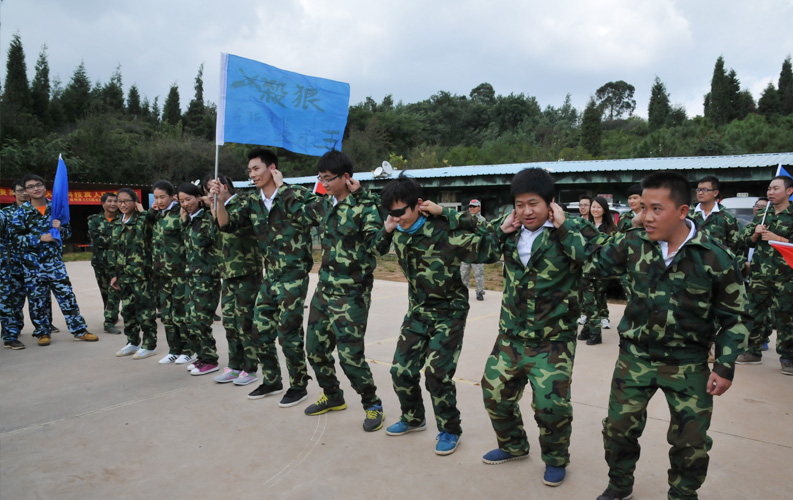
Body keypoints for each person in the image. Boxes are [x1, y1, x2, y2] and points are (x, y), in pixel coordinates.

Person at [587, 171, 750, 500]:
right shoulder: (632, 243)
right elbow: (592, 265)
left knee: (691, 442)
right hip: (636, 358)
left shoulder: (713, 257)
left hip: (688, 364)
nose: (645, 216)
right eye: (642, 207)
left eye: (656, 209)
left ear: (682, 211)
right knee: (618, 430)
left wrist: (725, 365)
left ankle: (683, 494)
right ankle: (620, 484)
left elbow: (735, 317)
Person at [477, 168, 591, 488]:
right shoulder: (510, 229)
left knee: (550, 405)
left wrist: (565, 227)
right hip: (511, 335)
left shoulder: (572, 229)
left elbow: (594, 261)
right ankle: (513, 445)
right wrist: (499, 231)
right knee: (494, 393)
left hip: (553, 339)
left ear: (550, 204)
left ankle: (555, 459)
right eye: (519, 204)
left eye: (534, 204)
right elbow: (479, 253)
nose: (526, 211)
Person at [376, 174, 486, 455]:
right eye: (391, 213)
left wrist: (447, 212)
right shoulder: (398, 230)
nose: (397, 217)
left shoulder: (444, 229)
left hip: (449, 312)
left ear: (419, 205)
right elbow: (373, 250)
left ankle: (450, 429)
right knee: (400, 371)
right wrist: (387, 229)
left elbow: (488, 234)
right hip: (418, 312)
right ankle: (414, 419)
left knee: (437, 374)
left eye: (401, 212)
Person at [276, 150, 386, 432]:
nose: (323, 182)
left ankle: (373, 405)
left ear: (346, 177)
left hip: (352, 294)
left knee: (350, 356)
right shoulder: (325, 205)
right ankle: (333, 395)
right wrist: (280, 186)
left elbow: (379, 245)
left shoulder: (365, 207)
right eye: (320, 177)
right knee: (315, 349)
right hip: (324, 290)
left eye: (328, 178)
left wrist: (364, 196)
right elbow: (299, 208)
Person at [211, 148, 314, 406]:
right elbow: (226, 225)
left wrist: (285, 190)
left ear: (272, 168)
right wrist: (220, 202)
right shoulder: (251, 201)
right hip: (270, 277)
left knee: (288, 334)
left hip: (293, 276)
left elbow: (314, 217)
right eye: (249, 171)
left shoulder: (297, 194)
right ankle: (272, 380)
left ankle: (298, 385)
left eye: (256, 169)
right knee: (259, 330)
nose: (252, 174)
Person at [7, 174, 98, 345]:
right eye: (31, 186)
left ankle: (79, 330)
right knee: (37, 300)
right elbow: (15, 239)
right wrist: (40, 238)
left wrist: (60, 230)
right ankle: (42, 332)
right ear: (26, 191)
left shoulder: (56, 208)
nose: (36, 188)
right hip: (32, 265)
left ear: (44, 186)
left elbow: (68, 232)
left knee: (67, 297)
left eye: (39, 184)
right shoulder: (21, 213)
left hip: (55, 264)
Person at [207, 174, 263, 387]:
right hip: (229, 274)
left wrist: (219, 202)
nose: (210, 194)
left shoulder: (243, 202)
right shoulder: (219, 206)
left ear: (224, 186)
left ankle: (250, 368)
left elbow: (227, 224)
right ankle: (235, 366)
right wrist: (215, 204)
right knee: (230, 322)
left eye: (213, 188)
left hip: (247, 273)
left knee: (245, 323)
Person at [735, 175, 793, 374]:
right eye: (769, 188)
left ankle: (788, 358)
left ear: (789, 191)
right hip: (760, 275)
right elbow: (744, 241)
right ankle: (752, 352)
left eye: (776, 188)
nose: (771, 192)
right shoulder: (763, 214)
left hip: (786, 275)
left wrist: (778, 238)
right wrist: (755, 233)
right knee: (754, 314)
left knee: (786, 317)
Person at [147, 180, 193, 365]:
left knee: (181, 313)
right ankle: (174, 349)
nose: (159, 201)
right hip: (162, 273)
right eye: (156, 197)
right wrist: (152, 211)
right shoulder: (157, 215)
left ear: (173, 196)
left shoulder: (180, 213)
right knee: (167, 314)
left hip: (179, 272)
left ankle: (189, 349)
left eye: (162, 197)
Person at [178, 182, 221, 376]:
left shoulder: (207, 218)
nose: (186, 203)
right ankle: (202, 356)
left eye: (189, 199)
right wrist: (183, 220)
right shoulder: (188, 220)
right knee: (188, 319)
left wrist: (211, 208)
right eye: (181, 201)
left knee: (200, 320)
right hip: (191, 277)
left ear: (198, 198)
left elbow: (216, 237)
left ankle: (211, 360)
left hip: (207, 277)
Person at [110, 188, 158, 359]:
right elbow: (116, 251)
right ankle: (132, 342)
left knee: (145, 311)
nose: (122, 204)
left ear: (135, 202)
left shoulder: (142, 220)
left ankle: (149, 344)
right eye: (119, 201)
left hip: (142, 274)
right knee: (128, 311)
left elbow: (153, 224)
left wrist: (143, 212)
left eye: (127, 201)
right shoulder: (117, 223)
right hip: (124, 275)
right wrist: (116, 274)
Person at [579, 196, 616, 345]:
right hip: (585, 267)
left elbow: (610, 248)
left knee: (595, 300)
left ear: (604, 210)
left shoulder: (610, 228)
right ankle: (588, 329)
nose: (595, 210)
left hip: (600, 269)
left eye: (598, 207)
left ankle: (595, 332)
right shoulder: (586, 225)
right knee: (588, 300)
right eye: (593, 207)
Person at [87, 192, 122, 334]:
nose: (113, 204)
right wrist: (116, 239)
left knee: (114, 290)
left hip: (117, 262)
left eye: (116, 201)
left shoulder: (123, 219)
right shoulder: (94, 220)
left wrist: (110, 239)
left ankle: (108, 321)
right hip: (100, 262)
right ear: (103, 204)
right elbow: (96, 240)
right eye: (110, 201)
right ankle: (111, 316)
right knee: (104, 292)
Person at [688, 175, 739, 251]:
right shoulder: (687, 215)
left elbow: (735, 245)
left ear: (715, 193)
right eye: (698, 190)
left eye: (705, 190)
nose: (700, 193)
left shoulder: (727, 218)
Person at [460, 199, 486, 301]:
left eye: (474, 206)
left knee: (478, 273)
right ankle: (463, 292)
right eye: (470, 206)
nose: (471, 208)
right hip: (466, 251)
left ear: (479, 207)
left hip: (477, 252)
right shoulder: (465, 219)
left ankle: (480, 292)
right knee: (463, 273)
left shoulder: (482, 220)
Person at [577, 195, 594, 326]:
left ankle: (596, 320)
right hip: (580, 263)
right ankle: (582, 314)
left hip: (593, 264)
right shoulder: (576, 223)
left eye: (585, 205)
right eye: (580, 205)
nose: (582, 208)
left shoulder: (594, 224)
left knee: (594, 294)